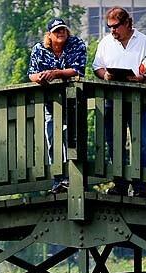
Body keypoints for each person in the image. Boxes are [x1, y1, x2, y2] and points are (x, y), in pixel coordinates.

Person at [92, 6, 146, 198]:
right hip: (112, 99)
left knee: (140, 144)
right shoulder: (105, 42)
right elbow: (96, 67)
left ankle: (140, 187)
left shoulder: (144, 41)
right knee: (114, 143)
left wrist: (143, 78)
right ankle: (120, 184)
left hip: (137, 99)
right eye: (110, 27)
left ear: (127, 24)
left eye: (115, 27)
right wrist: (105, 75)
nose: (112, 31)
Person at [28, 18, 87, 194]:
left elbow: (78, 69)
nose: (60, 33)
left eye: (63, 30)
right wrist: (41, 78)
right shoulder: (39, 49)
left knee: (73, 139)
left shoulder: (76, 44)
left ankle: (75, 179)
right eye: (56, 31)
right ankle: (58, 180)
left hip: (73, 100)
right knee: (52, 138)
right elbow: (31, 74)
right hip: (50, 102)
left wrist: (57, 73)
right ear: (49, 35)